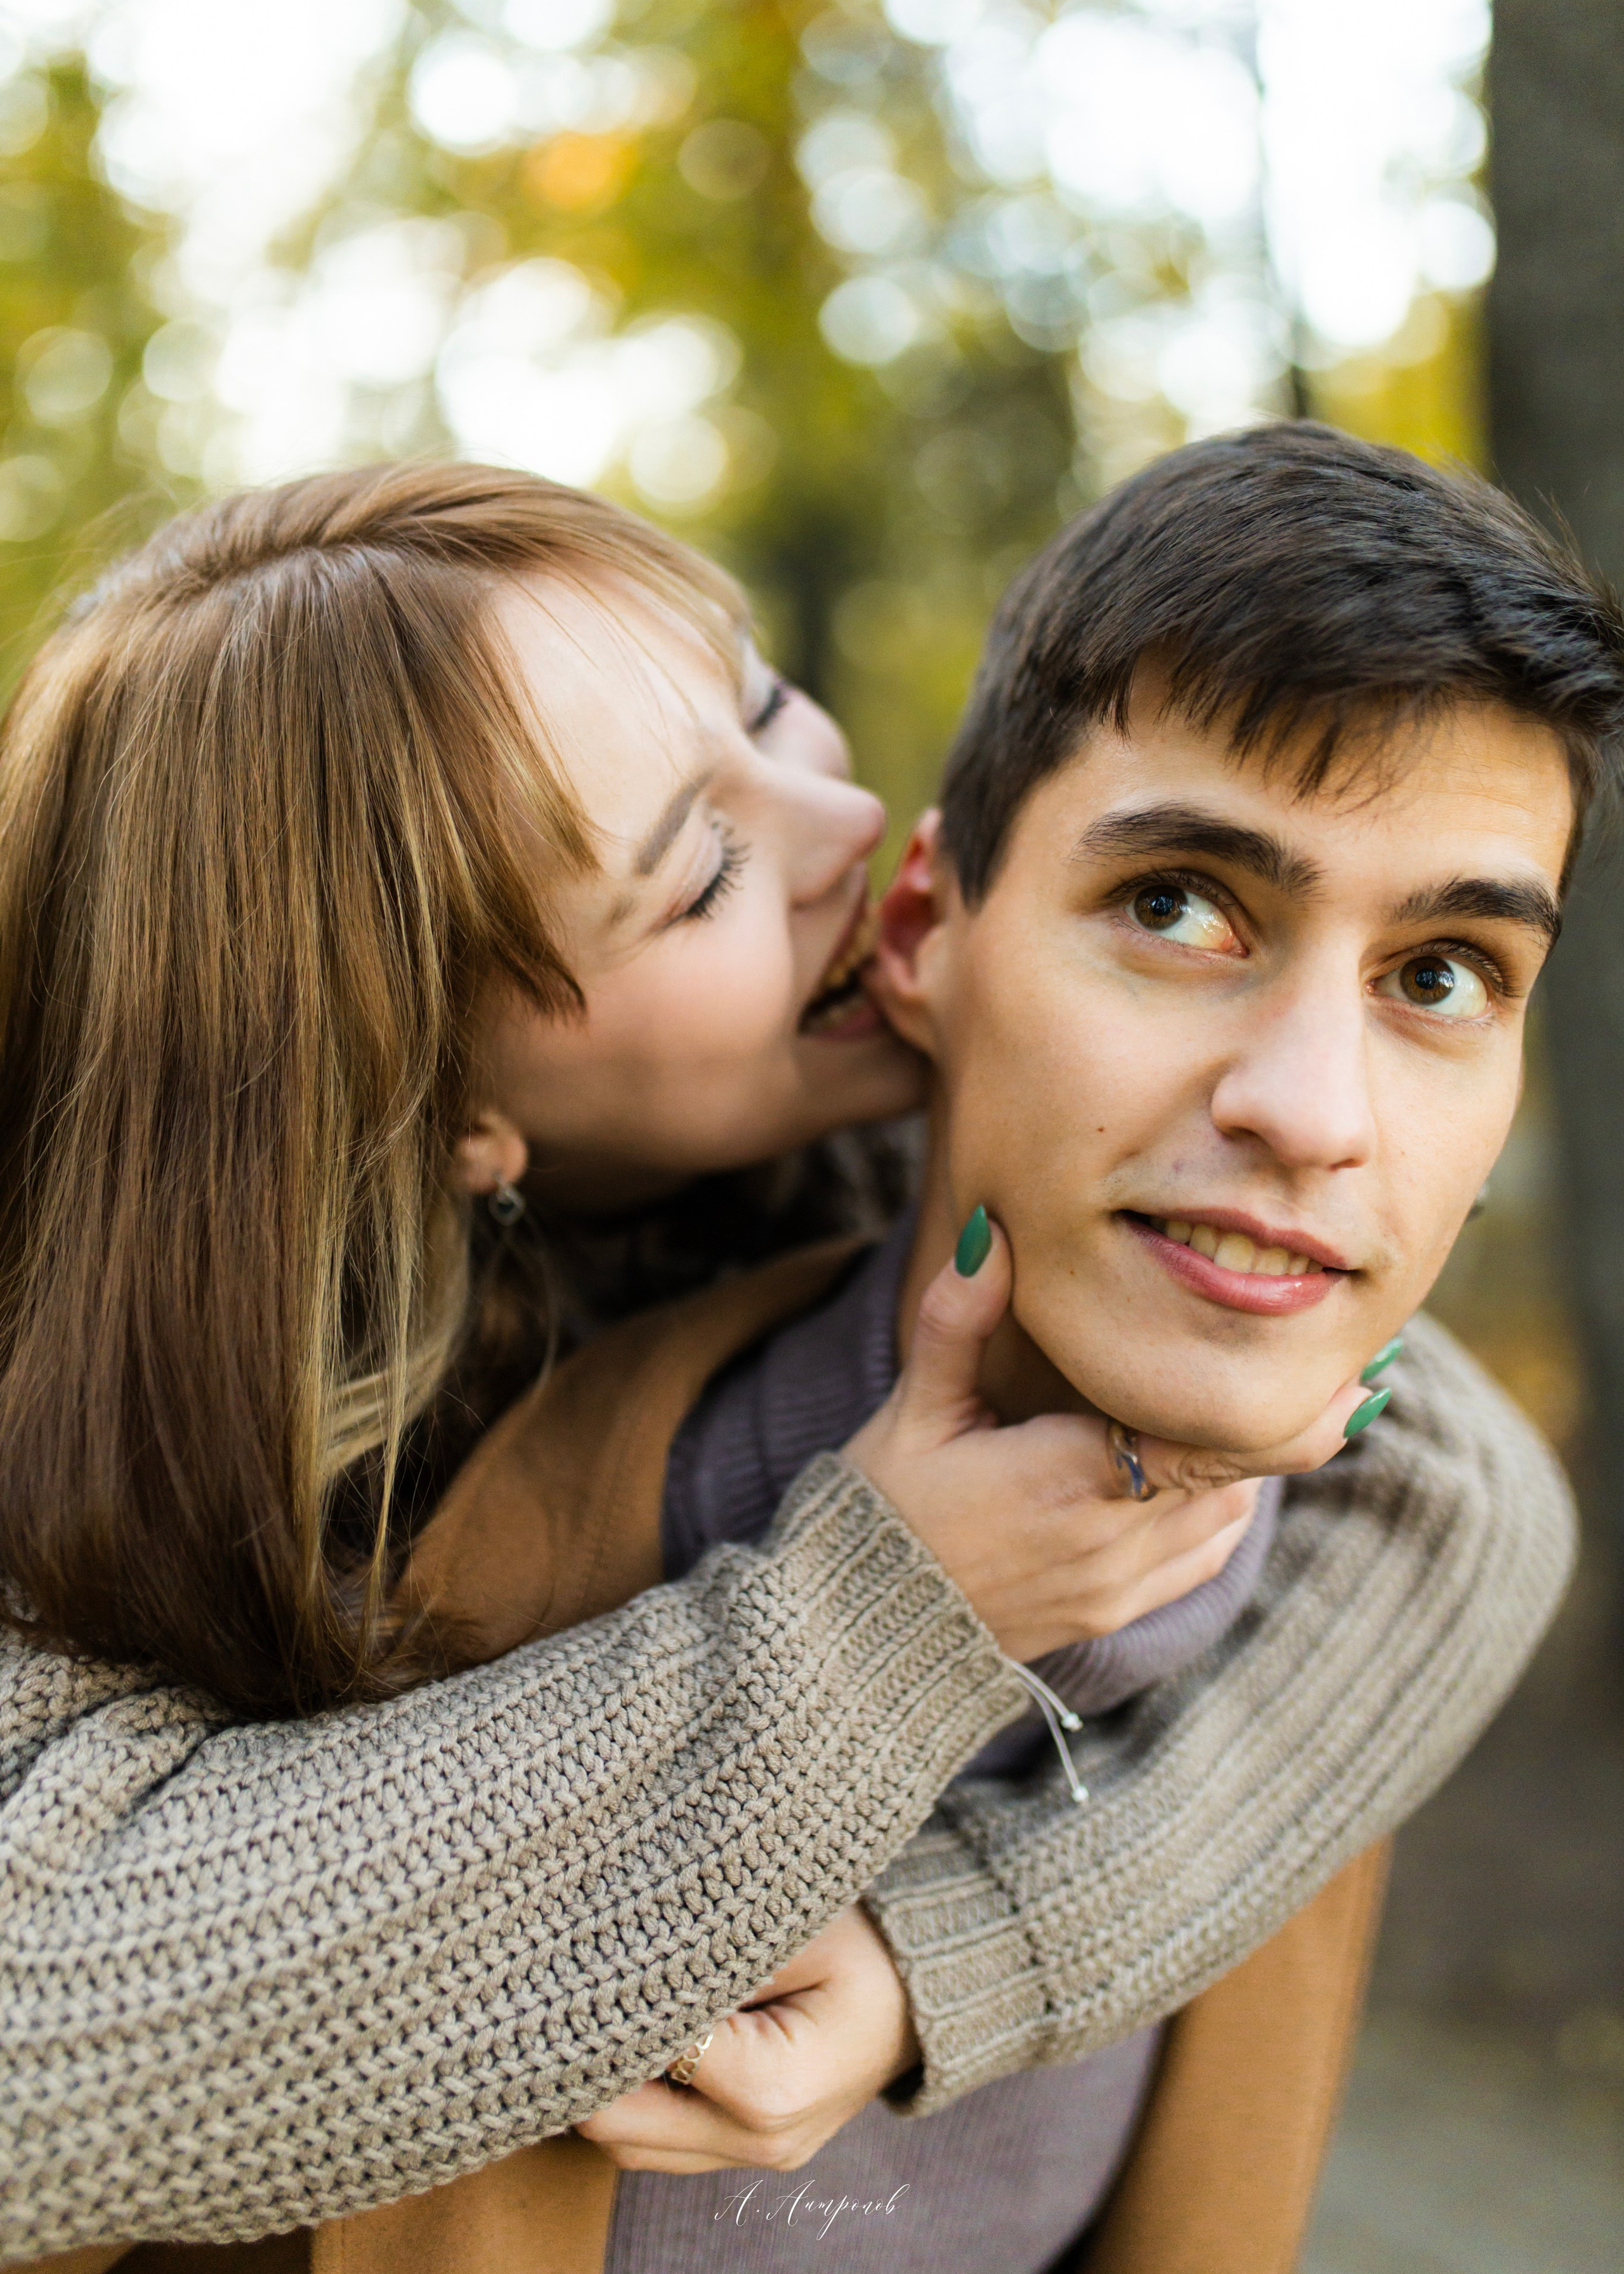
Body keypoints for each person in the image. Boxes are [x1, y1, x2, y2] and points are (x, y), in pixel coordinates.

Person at [0, 452, 1580, 2267]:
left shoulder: (909, 1146)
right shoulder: (126, 1440)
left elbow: (1464, 1494)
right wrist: (879, 1616)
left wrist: (973, 1938)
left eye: (765, 706)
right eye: (705, 870)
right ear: (438, 1104)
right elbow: (42, 2047)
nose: (849, 830)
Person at [478, 424, 1606, 2271]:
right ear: (921, 932)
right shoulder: (470, 1563)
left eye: (1442, 974)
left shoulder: (1335, 1638)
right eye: (1177, 907)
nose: (1314, 1115)